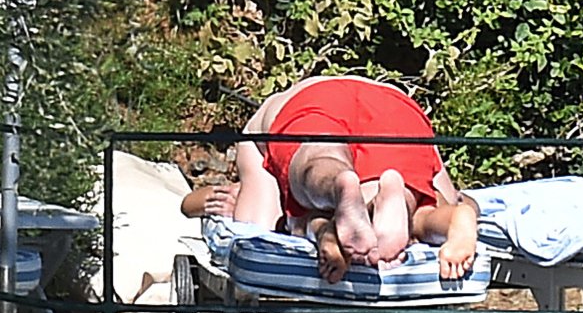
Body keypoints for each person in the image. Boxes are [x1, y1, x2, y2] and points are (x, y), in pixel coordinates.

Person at [202, 74, 479, 282]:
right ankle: (401, 204)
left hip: (313, 99)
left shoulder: (256, 138)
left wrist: (244, 208)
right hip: (397, 107)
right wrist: (464, 208)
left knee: (314, 165)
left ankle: (336, 189)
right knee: (420, 202)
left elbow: (251, 225)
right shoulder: (387, 95)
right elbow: (451, 194)